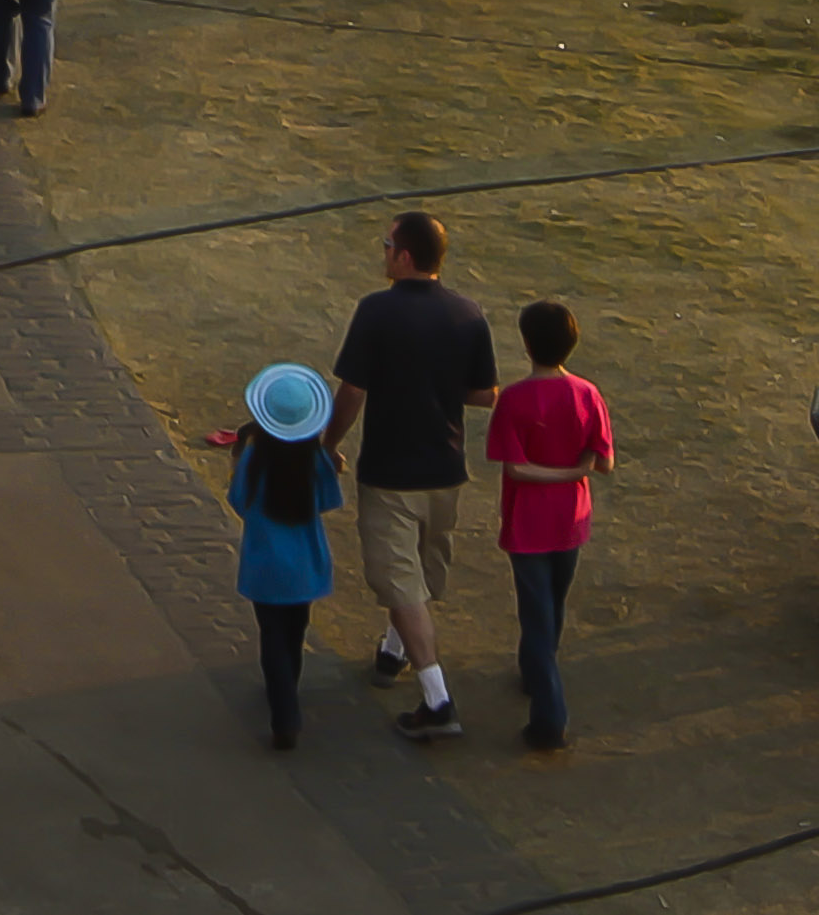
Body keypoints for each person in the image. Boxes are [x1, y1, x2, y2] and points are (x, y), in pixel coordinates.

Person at [326, 211, 498, 737]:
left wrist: (327, 444)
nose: (383, 254)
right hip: (446, 468)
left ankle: (437, 699)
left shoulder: (376, 311)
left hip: (391, 471)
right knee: (420, 573)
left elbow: (353, 390)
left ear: (404, 256)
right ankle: (392, 652)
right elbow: (484, 394)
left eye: (386, 245)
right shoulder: (468, 314)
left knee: (398, 579)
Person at [487, 300, 615, 752]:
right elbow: (604, 462)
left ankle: (549, 715)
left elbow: (516, 469)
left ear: (526, 345)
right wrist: (572, 472)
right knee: (553, 605)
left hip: (528, 523)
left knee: (536, 613)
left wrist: (556, 474)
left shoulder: (515, 401)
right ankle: (532, 672)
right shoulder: (587, 394)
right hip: (571, 519)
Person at [228, 365, 346, 750]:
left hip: (264, 567)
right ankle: (288, 693)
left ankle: (285, 711)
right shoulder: (316, 462)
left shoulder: (253, 459)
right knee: (295, 632)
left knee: (272, 636)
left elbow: (238, 501)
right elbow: (327, 502)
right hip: (306, 567)